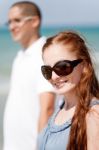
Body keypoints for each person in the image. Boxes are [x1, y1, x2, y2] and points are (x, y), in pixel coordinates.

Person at [3, 1, 56, 150]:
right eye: (10, 22)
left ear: (34, 21)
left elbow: (48, 107)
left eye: (17, 20)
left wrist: (41, 146)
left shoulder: (44, 54)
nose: (12, 26)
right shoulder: (20, 56)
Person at [38, 31, 99, 150]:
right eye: (48, 71)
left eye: (62, 67)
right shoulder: (60, 108)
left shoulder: (94, 115)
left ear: (84, 66)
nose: (54, 77)